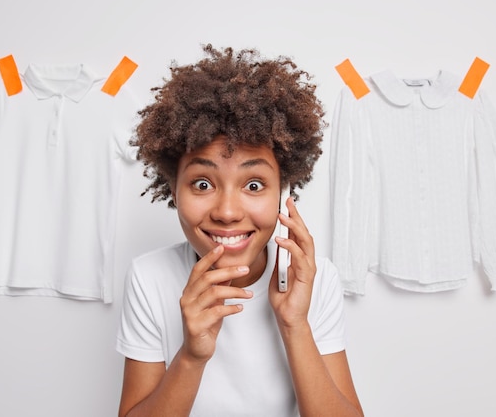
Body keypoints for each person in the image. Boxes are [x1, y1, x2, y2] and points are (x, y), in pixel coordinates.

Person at [116, 44, 363, 417]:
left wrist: (294, 324)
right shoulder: (150, 278)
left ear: (284, 192)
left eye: (253, 185)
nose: (228, 213)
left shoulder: (311, 278)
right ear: (173, 188)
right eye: (202, 184)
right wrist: (191, 356)